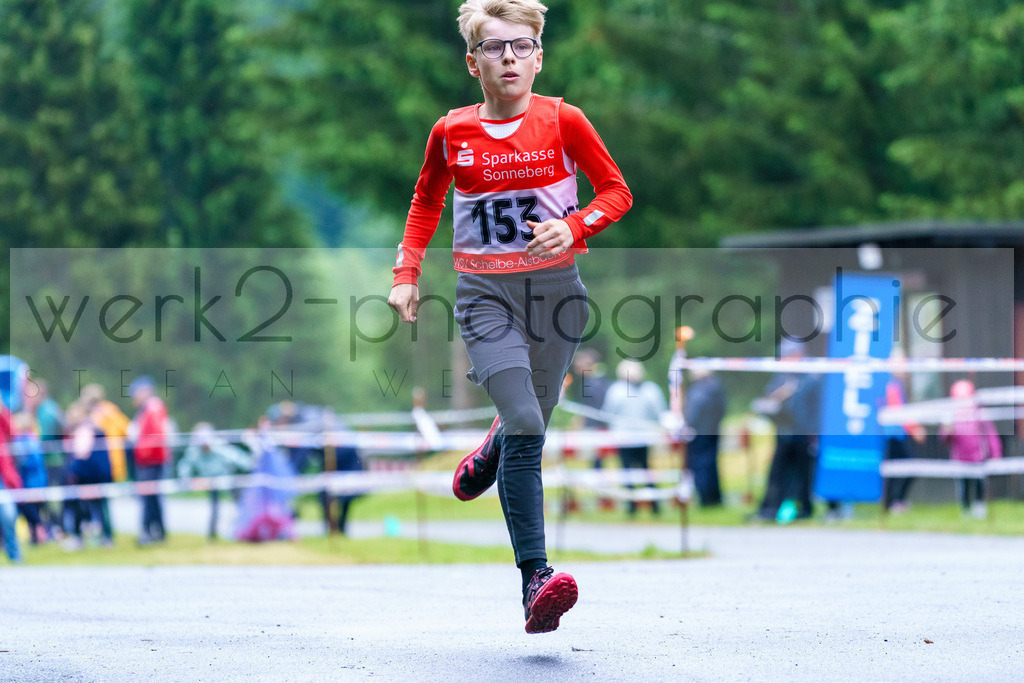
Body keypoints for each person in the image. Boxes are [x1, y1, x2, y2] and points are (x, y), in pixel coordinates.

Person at [386, 0, 631, 633]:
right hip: (484, 296)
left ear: (539, 56)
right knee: (526, 421)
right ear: (474, 63)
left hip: (557, 294)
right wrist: (406, 275)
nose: (510, 58)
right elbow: (424, 202)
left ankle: (493, 448)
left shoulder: (565, 121)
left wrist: (574, 227)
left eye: (522, 47)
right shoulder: (451, 133)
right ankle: (537, 579)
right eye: (496, 48)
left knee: (523, 434)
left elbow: (617, 192)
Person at [753, 338, 821, 522]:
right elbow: (770, 396)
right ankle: (770, 508)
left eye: (789, 355)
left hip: (804, 435)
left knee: (803, 474)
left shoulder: (811, 377)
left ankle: (802, 509)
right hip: (784, 432)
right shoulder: (781, 377)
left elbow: (816, 408)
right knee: (777, 472)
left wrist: (814, 433)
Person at [602, 359, 667, 516]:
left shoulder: (616, 391)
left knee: (628, 472)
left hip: (626, 438)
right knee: (644, 470)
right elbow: (660, 412)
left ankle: (632, 506)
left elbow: (607, 414)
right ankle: (653, 505)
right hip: (640, 438)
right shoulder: (651, 390)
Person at [177, 423, 253, 541]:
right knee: (214, 508)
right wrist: (185, 479)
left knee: (241, 505)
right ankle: (212, 536)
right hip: (211, 483)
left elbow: (236, 457)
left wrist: (250, 465)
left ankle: (246, 529)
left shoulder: (219, 447)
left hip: (228, 481)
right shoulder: (194, 452)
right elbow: (185, 466)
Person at [940, 379, 1002, 518]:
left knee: (979, 483)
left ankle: (979, 505)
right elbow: (945, 439)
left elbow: (991, 434)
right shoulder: (952, 414)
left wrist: (996, 453)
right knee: (964, 485)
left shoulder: (979, 412)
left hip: (979, 456)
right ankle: (965, 508)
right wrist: (947, 429)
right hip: (960, 459)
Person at [63, 402, 114, 548]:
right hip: (101, 474)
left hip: (87, 475)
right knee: (102, 507)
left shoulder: (84, 430)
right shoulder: (96, 427)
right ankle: (107, 537)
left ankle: (78, 538)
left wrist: (72, 472)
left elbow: (81, 454)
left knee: (81, 506)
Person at [128, 376, 170, 544]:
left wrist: (142, 451)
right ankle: (157, 532)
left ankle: (149, 531)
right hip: (147, 459)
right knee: (151, 498)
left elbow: (157, 436)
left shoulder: (153, 408)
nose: (134, 398)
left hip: (151, 460)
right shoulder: (147, 409)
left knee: (148, 497)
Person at [881, 357, 925, 513]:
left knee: (898, 470)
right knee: (904, 468)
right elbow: (898, 411)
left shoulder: (897, 384)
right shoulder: (892, 385)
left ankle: (894, 502)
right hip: (892, 435)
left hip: (899, 434)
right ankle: (894, 502)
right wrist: (914, 429)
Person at [684, 366, 726, 507]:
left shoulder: (698, 391)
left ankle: (705, 499)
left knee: (700, 466)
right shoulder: (717, 388)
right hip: (713, 430)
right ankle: (715, 498)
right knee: (712, 465)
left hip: (699, 434)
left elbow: (693, 415)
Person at [81, 384, 131, 484]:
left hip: (104, 463)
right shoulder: (111, 411)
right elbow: (128, 431)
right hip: (111, 462)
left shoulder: (101, 415)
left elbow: (128, 431)